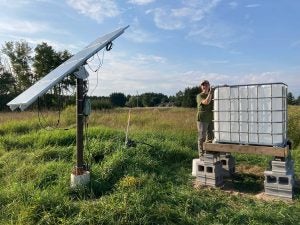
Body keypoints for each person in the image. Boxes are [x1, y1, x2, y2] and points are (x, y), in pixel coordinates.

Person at [196, 80, 214, 157]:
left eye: (206, 85)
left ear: (209, 86)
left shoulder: (212, 95)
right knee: (202, 136)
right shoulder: (199, 96)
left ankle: (208, 152)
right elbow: (206, 102)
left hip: (211, 118)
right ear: (201, 87)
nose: (205, 86)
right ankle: (201, 154)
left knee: (210, 136)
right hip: (202, 118)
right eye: (203, 85)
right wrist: (210, 93)